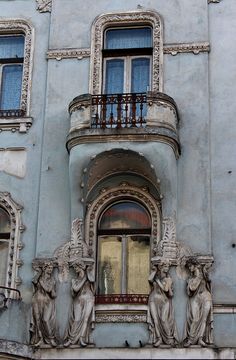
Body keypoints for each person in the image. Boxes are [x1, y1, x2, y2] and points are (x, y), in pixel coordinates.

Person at [147, 260, 178, 347]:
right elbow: (149, 279)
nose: (167, 268)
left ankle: (169, 339)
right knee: (155, 320)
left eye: (168, 267)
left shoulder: (168, 279)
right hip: (153, 299)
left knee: (164, 320)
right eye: (165, 266)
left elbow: (165, 289)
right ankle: (159, 338)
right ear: (161, 267)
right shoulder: (156, 276)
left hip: (164, 301)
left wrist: (158, 281)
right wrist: (154, 271)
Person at [183, 257, 213, 347]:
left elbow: (209, 283)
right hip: (195, 299)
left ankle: (200, 338)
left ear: (195, 265)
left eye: (190, 266)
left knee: (204, 319)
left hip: (206, 296)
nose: (189, 268)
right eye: (188, 266)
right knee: (195, 319)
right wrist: (191, 282)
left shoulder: (203, 274)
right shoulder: (190, 279)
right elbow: (191, 290)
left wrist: (205, 271)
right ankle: (191, 339)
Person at [63, 261, 95, 347]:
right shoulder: (75, 280)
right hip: (79, 300)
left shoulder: (88, 277)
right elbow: (76, 289)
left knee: (85, 319)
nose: (76, 269)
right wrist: (84, 278)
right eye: (75, 268)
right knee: (76, 319)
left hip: (89, 298)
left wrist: (87, 271)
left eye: (77, 267)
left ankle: (82, 338)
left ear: (81, 267)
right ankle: (71, 339)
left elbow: (92, 280)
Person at [30, 261, 57, 347]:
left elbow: (48, 289)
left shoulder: (52, 280)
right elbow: (33, 281)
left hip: (47, 302)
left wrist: (41, 281)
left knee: (45, 320)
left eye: (51, 268)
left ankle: (51, 338)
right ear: (45, 268)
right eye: (49, 268)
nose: (50, 270)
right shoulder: (39, 277)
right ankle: (40, 338)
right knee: (37, 320)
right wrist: (39, 272)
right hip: (36, 300)